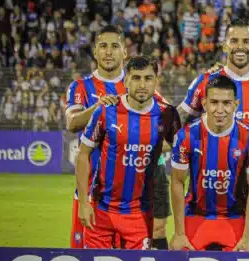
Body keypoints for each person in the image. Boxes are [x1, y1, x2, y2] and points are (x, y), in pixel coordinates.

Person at [75, 56, 181, 249]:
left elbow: (181, 150)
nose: (142, 84)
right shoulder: (106, 111)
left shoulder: (167, 114)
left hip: (139, 214)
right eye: (136, 78)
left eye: (148, 78)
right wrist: (83, 202)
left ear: (156, 81)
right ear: (125, 81)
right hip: (101, 210)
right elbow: (83, 154)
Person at [170, 76, 249, 251]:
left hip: (233, 217)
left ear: (236, 104)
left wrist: (247, 234)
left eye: (226, 103)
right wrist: (179, 233)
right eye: (214, 102)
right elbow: (177, 181)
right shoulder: (186, 135)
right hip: (197, 215)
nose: (220, 110)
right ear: (204, 103)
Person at [65, 25, 126, 249]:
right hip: (89, 193)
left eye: (114, 46)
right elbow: (72, 122)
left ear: (124, 52)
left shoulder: (138, 85)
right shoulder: (80, 86)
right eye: (103, 46)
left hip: (129, 200)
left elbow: (167, 121)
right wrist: (98, 107)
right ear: (95, 52)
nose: (108, 52)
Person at [178, 18, 249, 139]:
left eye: (246, 41)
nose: (240, 46)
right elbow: (175, 123)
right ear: (225, 46)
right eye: (234, 41)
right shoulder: (205, 81)